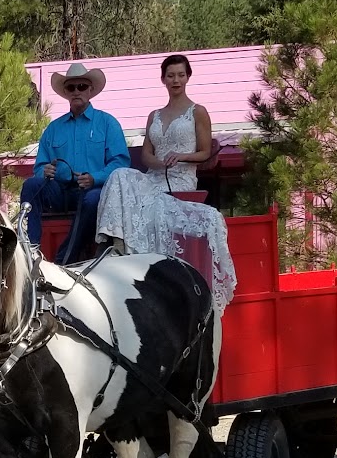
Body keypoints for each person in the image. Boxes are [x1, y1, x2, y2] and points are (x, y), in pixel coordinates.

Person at [96, 54, 239, 308]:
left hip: (181, 180)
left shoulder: (198, 112)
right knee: (119, 175)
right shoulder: (154, 115)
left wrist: (181, 157)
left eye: (180, 75)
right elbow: (146, 155)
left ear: (188, 77)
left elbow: (205, 152)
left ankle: (129, 250)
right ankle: (113, 241)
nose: (176, 80)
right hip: (154, 177)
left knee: (148, 204)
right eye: (171, 75)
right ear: (163, 79)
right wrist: (158, 163)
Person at [22, 62, 131, 264]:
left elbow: (121, 163)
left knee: (93, 199)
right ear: (65, 92)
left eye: (81, 86)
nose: (76, 91)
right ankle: (31, 249)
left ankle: (66, 257)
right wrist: (44, 171)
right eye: (71, 87)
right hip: (60, 191)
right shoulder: (53, 128)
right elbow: (39, 167)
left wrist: (95, 178)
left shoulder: (108, 123)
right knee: (31, 185)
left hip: (93, 191)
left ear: (90, 90)